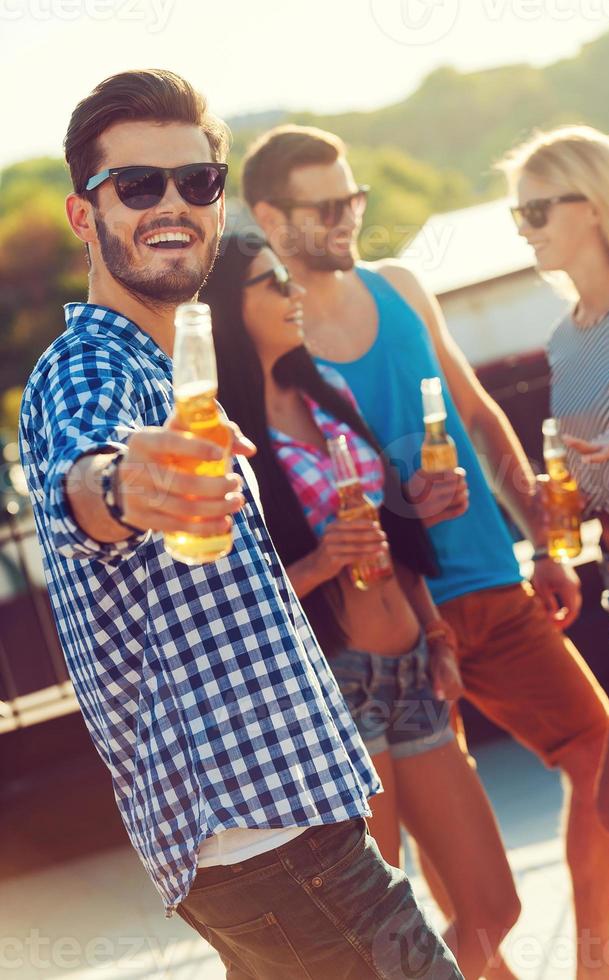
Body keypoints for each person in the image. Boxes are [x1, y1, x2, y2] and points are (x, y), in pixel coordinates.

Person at [18, 70, 463, 979]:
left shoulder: (174, 366)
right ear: (82, 215)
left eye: (197, 181)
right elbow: (87, 476)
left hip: (264, 833)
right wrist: (124, 486)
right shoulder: (89, 367)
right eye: (138, 185)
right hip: (264, 832)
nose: (172, 203)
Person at [241, 123, 609, 979]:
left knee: (599, 753)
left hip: (490, 575)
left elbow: (480, 414)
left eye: (355, 199)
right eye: (326, 205)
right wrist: (399, 509)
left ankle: (596, 960)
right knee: (437, 846)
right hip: (393, 616)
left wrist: (543, 539)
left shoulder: (401, 285)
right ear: (270, 214)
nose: (347, 218)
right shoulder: (282, 344)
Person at [201, 233, 521, 979]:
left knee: (493, 904)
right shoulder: (224, 433)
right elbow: (228, 593)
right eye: (272, 283)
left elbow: (383, 532)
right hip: (337, 694)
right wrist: (319, 562)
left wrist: (433, 612)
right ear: (225, 310)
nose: (294, 292)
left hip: (411, 669)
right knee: (373, 940)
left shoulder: (326, 393)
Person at [500, 124, 609, 874]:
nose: (523, 230)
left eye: (535, 211)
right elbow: (591, 469)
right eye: (516, 216)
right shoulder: (565, 338)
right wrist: (562, 498)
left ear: (591, 205)